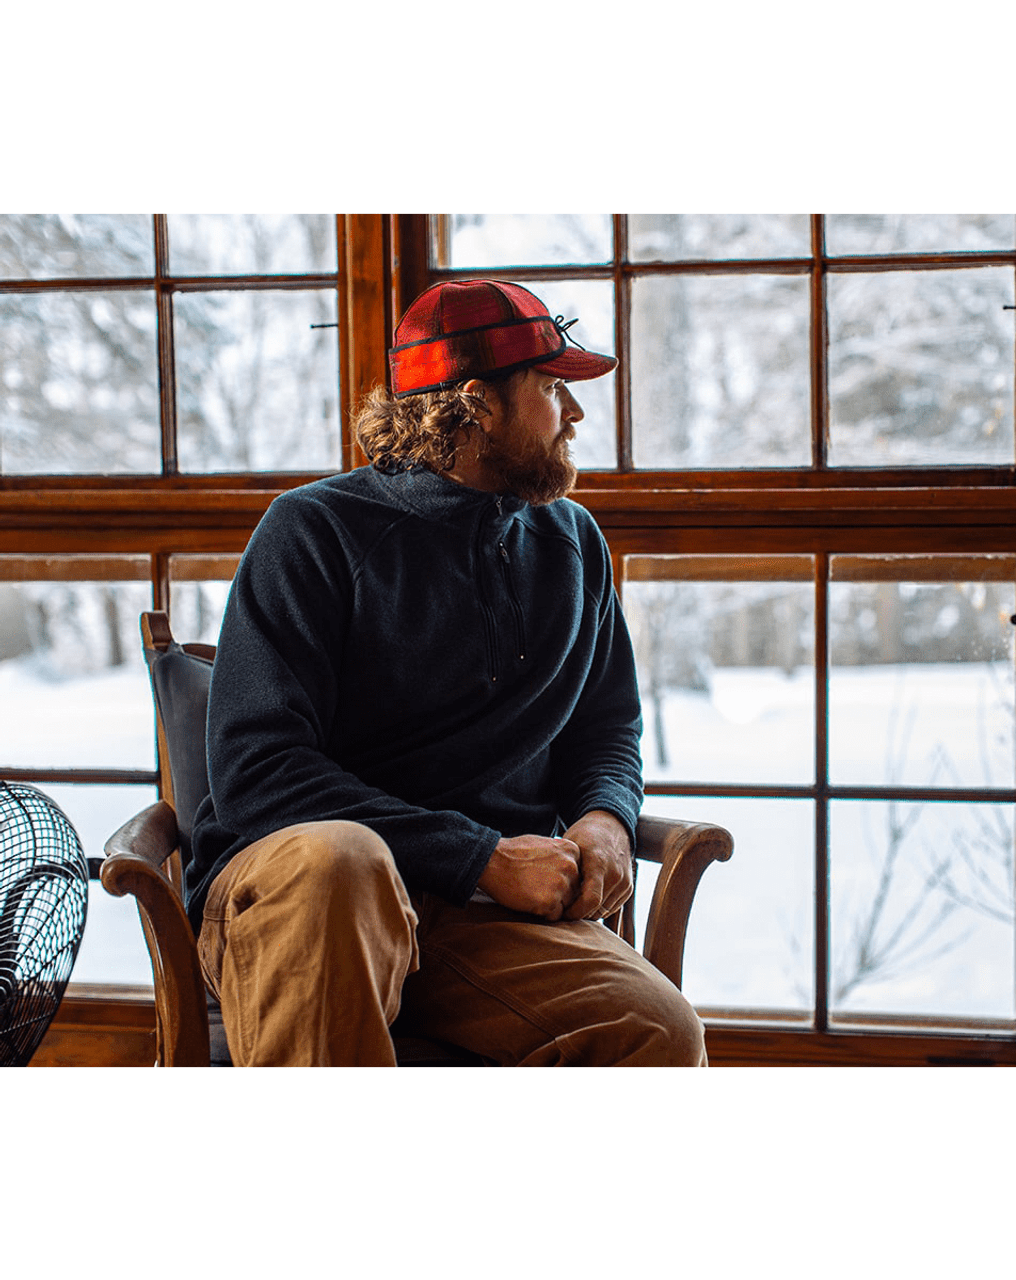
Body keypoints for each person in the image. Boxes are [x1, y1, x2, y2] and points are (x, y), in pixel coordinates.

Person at [185, 279, 707, 1067]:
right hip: (301, 893)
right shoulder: (312, 531)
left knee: (656, 1030)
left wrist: (605, 817)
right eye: (552, 388)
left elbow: (606, 726)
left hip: (477, 910)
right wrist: (484, 856)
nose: (574, 413)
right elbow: (258, 773)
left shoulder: (572, 542)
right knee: (343, 859)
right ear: (478, 403)